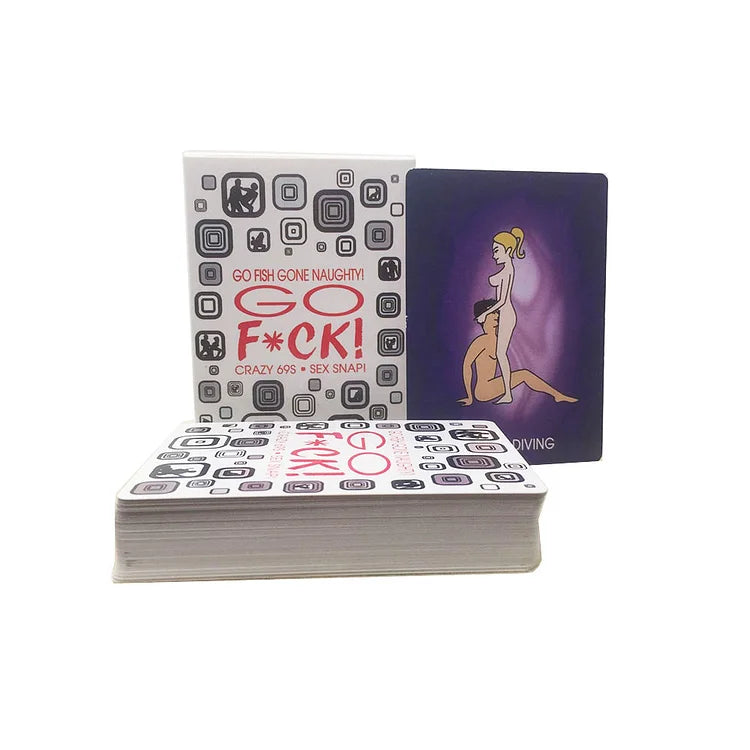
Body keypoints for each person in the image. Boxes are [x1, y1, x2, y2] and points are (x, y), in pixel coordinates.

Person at [457, 299, 577, 405]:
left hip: (491, 385)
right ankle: (557, 395)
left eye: (497, 312)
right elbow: (467, 365)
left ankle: (557, 395)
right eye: (492, 312)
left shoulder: (498, 339)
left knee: (524, 374)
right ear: (482, 318)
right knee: (524, 374)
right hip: (484, 391)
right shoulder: (481, 341)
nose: (496, 315)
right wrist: (469, 396)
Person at [475, 227, 524, 403]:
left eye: (497, 250)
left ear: (508, 250)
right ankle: (507, 393)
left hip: (506, 314)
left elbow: (502, 300)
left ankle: (508, 394)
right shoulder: (505, 270)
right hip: (504, 314)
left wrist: (485, 314)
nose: (494, 255)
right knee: (500, 353)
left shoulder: (507, 271)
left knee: (501, 354)